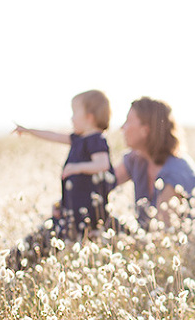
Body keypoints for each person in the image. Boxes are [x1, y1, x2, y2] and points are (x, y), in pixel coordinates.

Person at [10, 90, 116, 268]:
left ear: (89, 117)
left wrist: (77, 167)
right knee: (38, 245)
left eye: (75, 113)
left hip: (86, 217)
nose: (71, 118)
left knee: (54, 247)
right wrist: (28, 131)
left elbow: (103, 163)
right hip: (70, 212)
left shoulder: (96, 140)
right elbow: (53, 135)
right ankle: (15, 264)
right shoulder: (78, 139)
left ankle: (18, 264)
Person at [114, 97, 195, 232]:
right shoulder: (136, 160)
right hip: (149, 242)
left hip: (186, 248)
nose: (122, 127)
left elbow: (162, 232)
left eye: (128, 122)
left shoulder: (176, 171)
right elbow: (104, 183)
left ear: (145, 130)